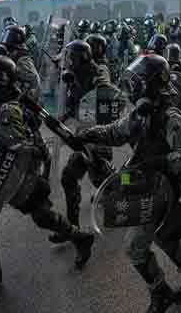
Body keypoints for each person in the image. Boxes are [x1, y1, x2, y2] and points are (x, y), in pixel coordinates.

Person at [74, 54, 181, 312]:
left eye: (138, 82)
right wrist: (90, 134)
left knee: (135, 246)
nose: (132, 86)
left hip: (161, 185)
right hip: (143, 178)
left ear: (151, 85)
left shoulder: (169, 116)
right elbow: (115, 132)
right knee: (161, 235)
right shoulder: (140, 113)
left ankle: (160, 293)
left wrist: (159, 162)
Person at [0, 56, 94, 287]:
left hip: (14, 172)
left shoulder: (7, 108)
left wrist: (23, 175)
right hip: (11, 171)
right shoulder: (10, 102)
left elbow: (18, 145)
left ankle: (80, 238)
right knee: (25, 217)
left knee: (1, 217)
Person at [47, 37, 126, 243]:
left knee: (106, 182)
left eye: (70, 58)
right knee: (70, 178)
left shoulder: (97, 75)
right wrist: (61, 118)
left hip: (97, 140)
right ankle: (73, 230)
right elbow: (74, 104)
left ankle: (126, 200)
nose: (67, 62)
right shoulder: (75, 76)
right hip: (83, 139)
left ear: (78, 59)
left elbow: (108, 98)